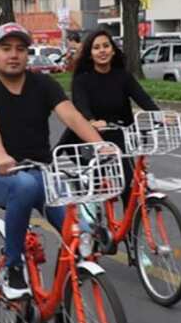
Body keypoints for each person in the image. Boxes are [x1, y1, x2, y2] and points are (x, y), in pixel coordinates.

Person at [0, 23, 106, 300]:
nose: (13, 55)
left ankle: (65, 310)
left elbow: (71, 116)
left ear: (28, 54)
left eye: (20, 49)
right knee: (24, 185)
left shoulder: (43, 84)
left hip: (44, 174)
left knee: (80, 236)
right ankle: (13, 267)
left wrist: (100, 145)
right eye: (6, 49)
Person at [59, 29, 160, 211]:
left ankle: (130, 235)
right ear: (90, 53)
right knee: (96, 185)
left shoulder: (123, 76)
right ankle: (93, 230)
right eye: (96, 48)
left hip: (119, 135)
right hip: (88, 139)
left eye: (106, 46)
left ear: (113, 50)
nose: (102, 51)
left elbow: (143, 99)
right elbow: (81, 105)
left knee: (129, 182)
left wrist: (160, 115)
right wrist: (91, 121)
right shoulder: (82, 80)